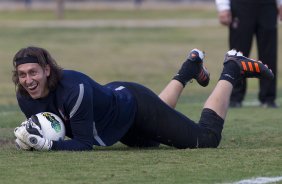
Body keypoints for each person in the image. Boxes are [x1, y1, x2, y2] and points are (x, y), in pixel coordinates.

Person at [13, 46, 273, 151]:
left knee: (206, 140)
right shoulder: (24, 95)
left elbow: (82, 143)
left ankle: (232, 69)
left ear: (47, 70)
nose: (28, 80)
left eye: (33, 72)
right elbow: (48, 125)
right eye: (22, 74)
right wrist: (29, 136)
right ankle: (190, 69)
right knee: (149, 142)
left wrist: (46, 146)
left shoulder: (74, 89)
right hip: (117, 120)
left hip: (134, 105)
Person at [215, 0, 282, 108]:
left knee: (269, 53)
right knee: (237, 54)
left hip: (268, 6)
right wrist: (223, 6)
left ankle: (268, 98)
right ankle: (235, 97)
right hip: (241, 5)